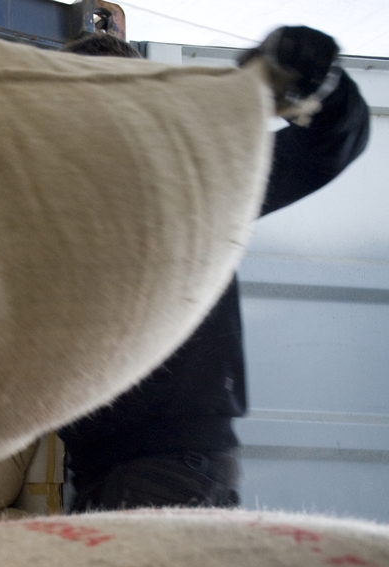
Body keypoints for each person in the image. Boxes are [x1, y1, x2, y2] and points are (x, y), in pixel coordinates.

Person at [58, 26, 371, 513]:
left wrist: (317, 82)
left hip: (165, 464)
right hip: (112, 467)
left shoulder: (188, 181)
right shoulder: (60, 205)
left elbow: (326, 144)